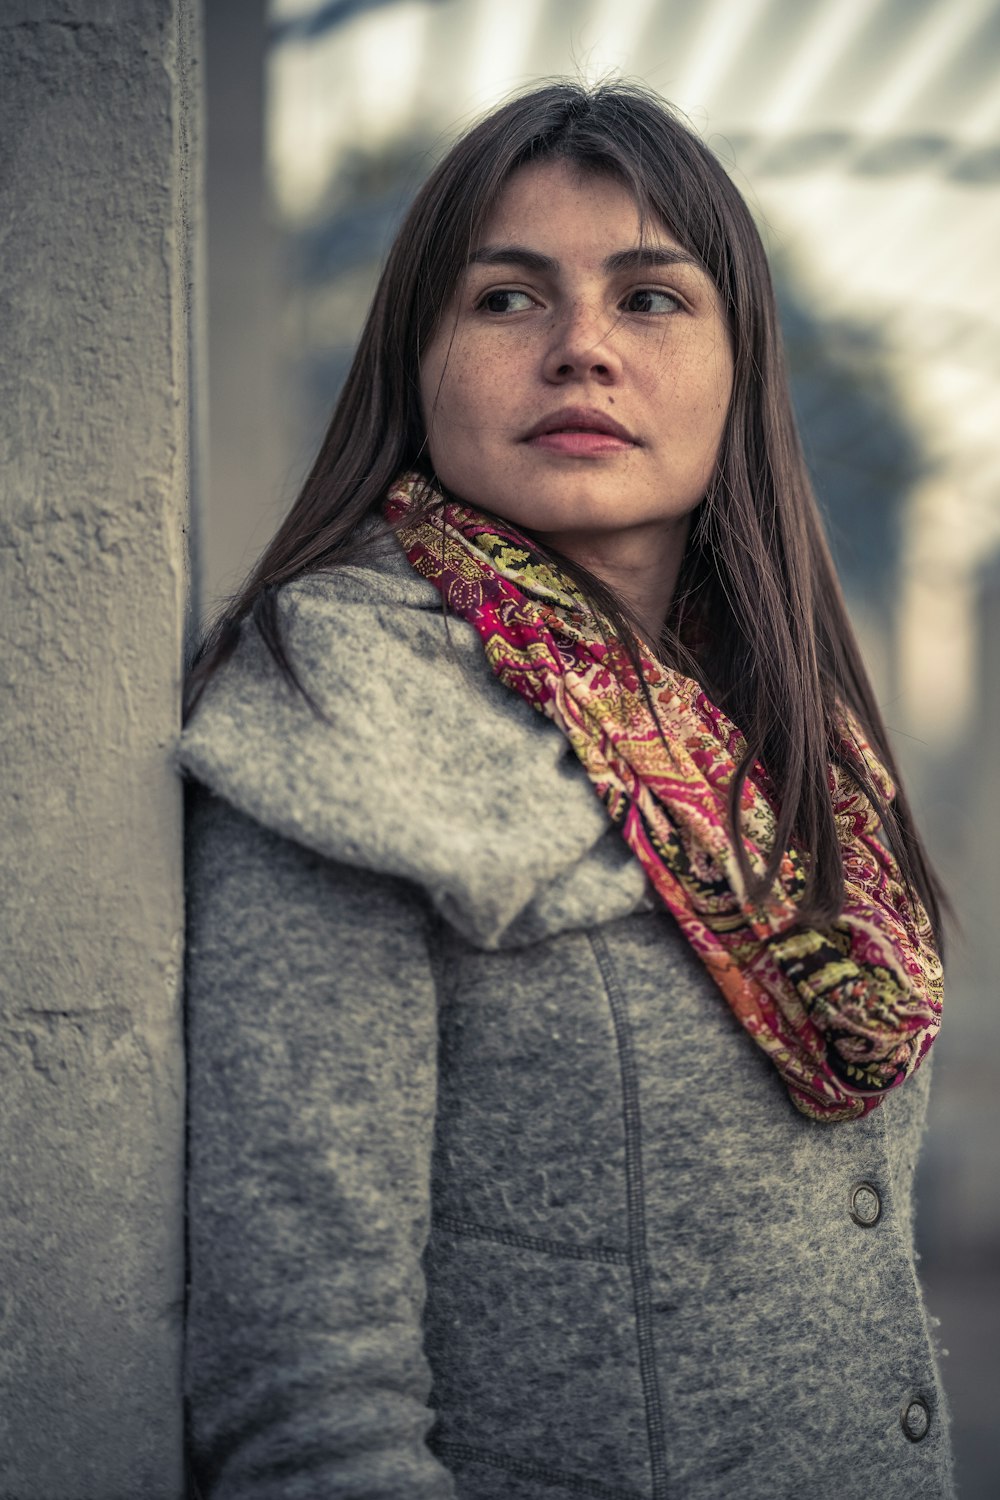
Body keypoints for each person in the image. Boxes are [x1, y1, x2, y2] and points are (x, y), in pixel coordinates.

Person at [179, 81, 955, 1500]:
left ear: (740, 367)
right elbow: (311, 1402)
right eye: (506, 300)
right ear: (418, 360)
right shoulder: (342, 715)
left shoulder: (785, 730)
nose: (583, 349)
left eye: (651, 299)